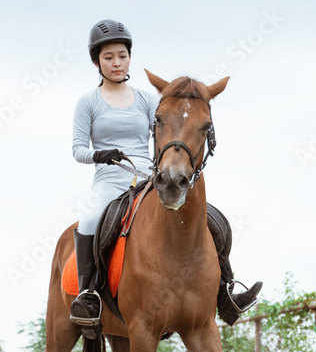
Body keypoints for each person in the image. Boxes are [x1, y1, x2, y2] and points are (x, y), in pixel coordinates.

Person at [69, 19, 261, 328]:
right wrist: (100, 154)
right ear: (97, 62)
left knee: (207, 217)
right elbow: (78, 149)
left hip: (148, 175)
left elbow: (165, 129)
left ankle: (225, 290)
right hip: (109, 179)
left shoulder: (147, 99)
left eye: (122, 55)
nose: (117, 63)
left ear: (129, 57)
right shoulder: (88, 102)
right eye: (108, 57)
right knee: (90, 220)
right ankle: (88, 295)